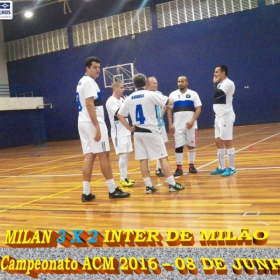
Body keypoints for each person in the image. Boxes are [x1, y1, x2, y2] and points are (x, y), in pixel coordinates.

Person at [117, 73, 185, 194]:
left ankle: (148, 186)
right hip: (151, 131)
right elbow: (169, 102)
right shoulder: (150, 94)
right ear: (146, 83)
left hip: (137, 132)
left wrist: (129, 128)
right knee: (163, 157)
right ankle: (172, 184)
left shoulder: (129, 98)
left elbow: (119, 115)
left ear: (134, 84)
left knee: (143, 159)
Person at [76, 56, 130, 201]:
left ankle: (86, 192)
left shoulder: (81, 82)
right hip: (93, 123)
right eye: (94, 67)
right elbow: (89, 104)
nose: (98, 70)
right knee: (104, 155)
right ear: (87, 68)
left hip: (82, 122)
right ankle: (112, 189)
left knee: (89, 156)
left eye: (99, 67)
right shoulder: (89, 82)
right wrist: (97, 127)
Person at [167, 76, 202, 176]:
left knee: (191, 146)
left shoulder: (193, 94)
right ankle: (179, 168)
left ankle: (191, 166)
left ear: (187, 82)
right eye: (178, 81)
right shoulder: (173, 95)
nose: (180, 83)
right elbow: (169, 110)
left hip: (191, 126)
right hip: (177, 126)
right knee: (178, 146)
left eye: (182, 81)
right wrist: (170, 124)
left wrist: (192, 121)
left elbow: (198, 109)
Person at [105, 81, 135, 187]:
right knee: (122, 155)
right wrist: (127, 103)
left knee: (126, 155)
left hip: (125, 131)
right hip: (118, 133)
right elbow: (120, 114)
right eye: (121, 87)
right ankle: (123, 178)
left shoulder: (122, 99)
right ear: (115, 88)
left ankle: (125, 177)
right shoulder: (110, 101)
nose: (124, 89)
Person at [210, 65, 236, 177]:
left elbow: (217, 93)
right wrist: (216, 83)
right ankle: (221, 167)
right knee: (218, 141)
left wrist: (214, 83)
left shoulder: (228, 83)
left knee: (227, 141)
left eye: (217, 72)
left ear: (223, 72)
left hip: (226, 116)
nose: (214, 74)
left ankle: (232, 168)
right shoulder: (220, 84)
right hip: (218, 116)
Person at [146, 76, 168, 177]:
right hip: (149, 126)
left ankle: (158, 168)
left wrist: (161, 114)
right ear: (147, 84)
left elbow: (166, 103)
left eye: (156, 83)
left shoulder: (159, 94)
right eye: (153, 83)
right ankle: (146, 169)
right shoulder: (145, 95)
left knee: (162, 146)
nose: (156, 85)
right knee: (147, 148)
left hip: (160, 124)